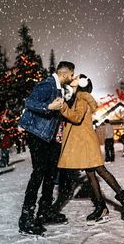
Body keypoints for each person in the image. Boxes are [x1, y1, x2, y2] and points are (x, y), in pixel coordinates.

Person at [58, 74, 124, 225]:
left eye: (75, 79)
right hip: (85, 142)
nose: (72, 80)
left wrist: (61, 106)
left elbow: (76, 118)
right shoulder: (79, 98)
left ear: (81, 84)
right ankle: (102, 208)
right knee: (91, 174)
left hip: (87, 143)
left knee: (100, 170)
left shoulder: (81, 98)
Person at [18, 61, 75, 235]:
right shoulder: (47, 84)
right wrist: (48, 107)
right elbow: (29, 102)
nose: (72, 78)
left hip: (48, 138)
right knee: (39, 173)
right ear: (65, 74)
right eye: (71, 75)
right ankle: (26, 218)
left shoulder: (59, 88)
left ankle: (45, 212)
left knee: (50, 174)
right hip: (37, 136)